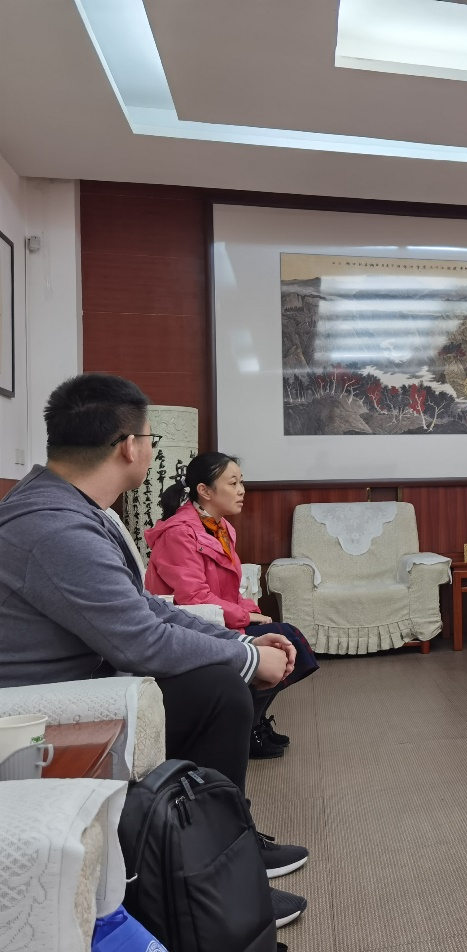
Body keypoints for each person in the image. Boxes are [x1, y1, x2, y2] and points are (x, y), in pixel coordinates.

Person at [0, 373, 309, 928]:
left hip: (87, 681)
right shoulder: (55, 527)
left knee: (220, 682)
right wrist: (245, 660)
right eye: (149, 439)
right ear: (129, 446)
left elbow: (147, 609)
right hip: (37, 719)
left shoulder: (71, 507)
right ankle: (209, 886)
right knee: (219, 692)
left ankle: (223, 850)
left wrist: (240, 643)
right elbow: (141, 640)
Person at [145, 452, 318, 760]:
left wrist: (251, 610)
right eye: (233, 483)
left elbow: (227, 590)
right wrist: (244, 615)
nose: (241, 491)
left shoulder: (219, 527)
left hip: (218, 618)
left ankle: (252, 723)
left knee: (286, 639)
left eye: (241, 482)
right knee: (283, 641)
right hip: (191, 625)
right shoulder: (179, 533)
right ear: (204, 490)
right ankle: (248, 728)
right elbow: (193, 598)